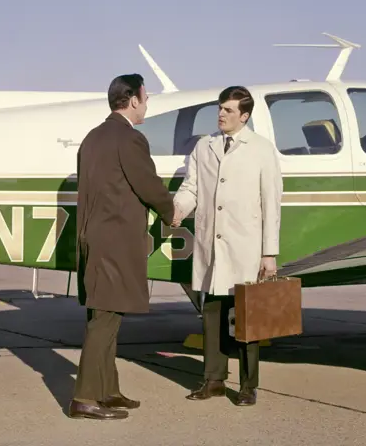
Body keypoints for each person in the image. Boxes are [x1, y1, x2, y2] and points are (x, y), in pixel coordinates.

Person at [69, 73, 175, 420]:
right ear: (133, 100)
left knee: (107, 316)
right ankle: (84, 398)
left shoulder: (93, 138)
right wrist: (170, 211)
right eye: (146, 98)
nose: (146, 105)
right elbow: (148, 183)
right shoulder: (129, 139)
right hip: (114, 241)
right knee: (104, 320)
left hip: (94, 238)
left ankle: (107, 390)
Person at [172, 85, 282, 406]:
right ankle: (214, 381)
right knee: (212, 316)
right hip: (211, 247)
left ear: (244, 116)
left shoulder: (262, 149)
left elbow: (271, 203)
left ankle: (248, 387)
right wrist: (178, 209)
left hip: (246, 249)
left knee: (247, 320)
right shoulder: (204, 147)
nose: (221, 114)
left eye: (229, 110)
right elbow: (191, 187)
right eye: (220, 108)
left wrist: (269, 253)